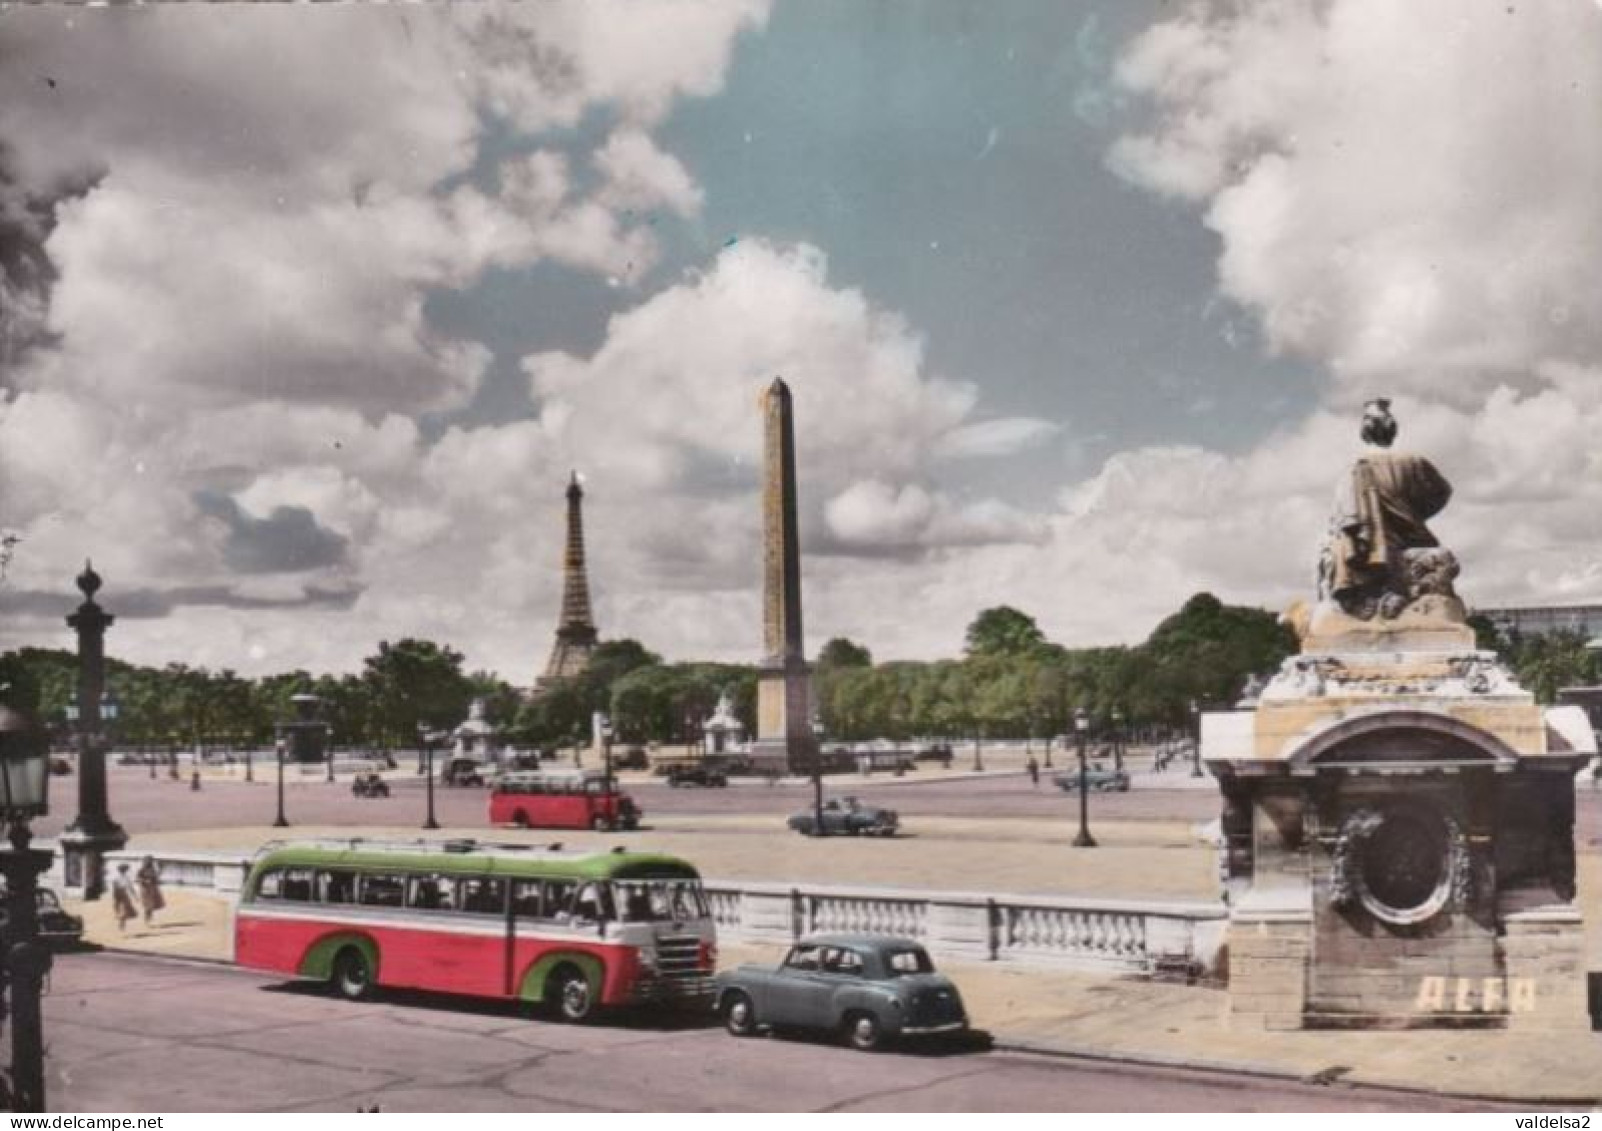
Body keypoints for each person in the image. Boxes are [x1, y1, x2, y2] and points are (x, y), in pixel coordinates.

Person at [1322, 399, 1454, 618]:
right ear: (1393, 429)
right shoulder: (1414, 461)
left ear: (1364, 430)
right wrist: (1417, 513)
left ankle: (1360, 598)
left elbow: (1342, 518)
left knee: (1333, 543)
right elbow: (1443, 491)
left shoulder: (1355, 466)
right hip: (1413, 534)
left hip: (1372, 541)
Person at [136, 856, 165, 926]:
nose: (150, 862)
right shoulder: (142, 870)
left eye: (150, 861)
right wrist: (145, 881)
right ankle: (147, 919)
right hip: (145, 889)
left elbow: (156, 876)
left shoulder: (152, 869)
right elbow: (137, 878)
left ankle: (149, 918)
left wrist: (161, 869)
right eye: (149, 861)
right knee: (148, 905)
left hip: (152, 888)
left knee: (151, 905)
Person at [110, 864, 138, 932]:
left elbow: (130, 887)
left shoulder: (126, 877)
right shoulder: (115, 877)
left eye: (124, 870)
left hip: (124, 893)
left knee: (125, 910)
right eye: (123, 870)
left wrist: (135, 896)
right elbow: (114, 887)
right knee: (118, 908)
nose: (124, 871)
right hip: (117, 893)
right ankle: (119, 918)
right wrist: (114, 895)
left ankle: (122, 923)